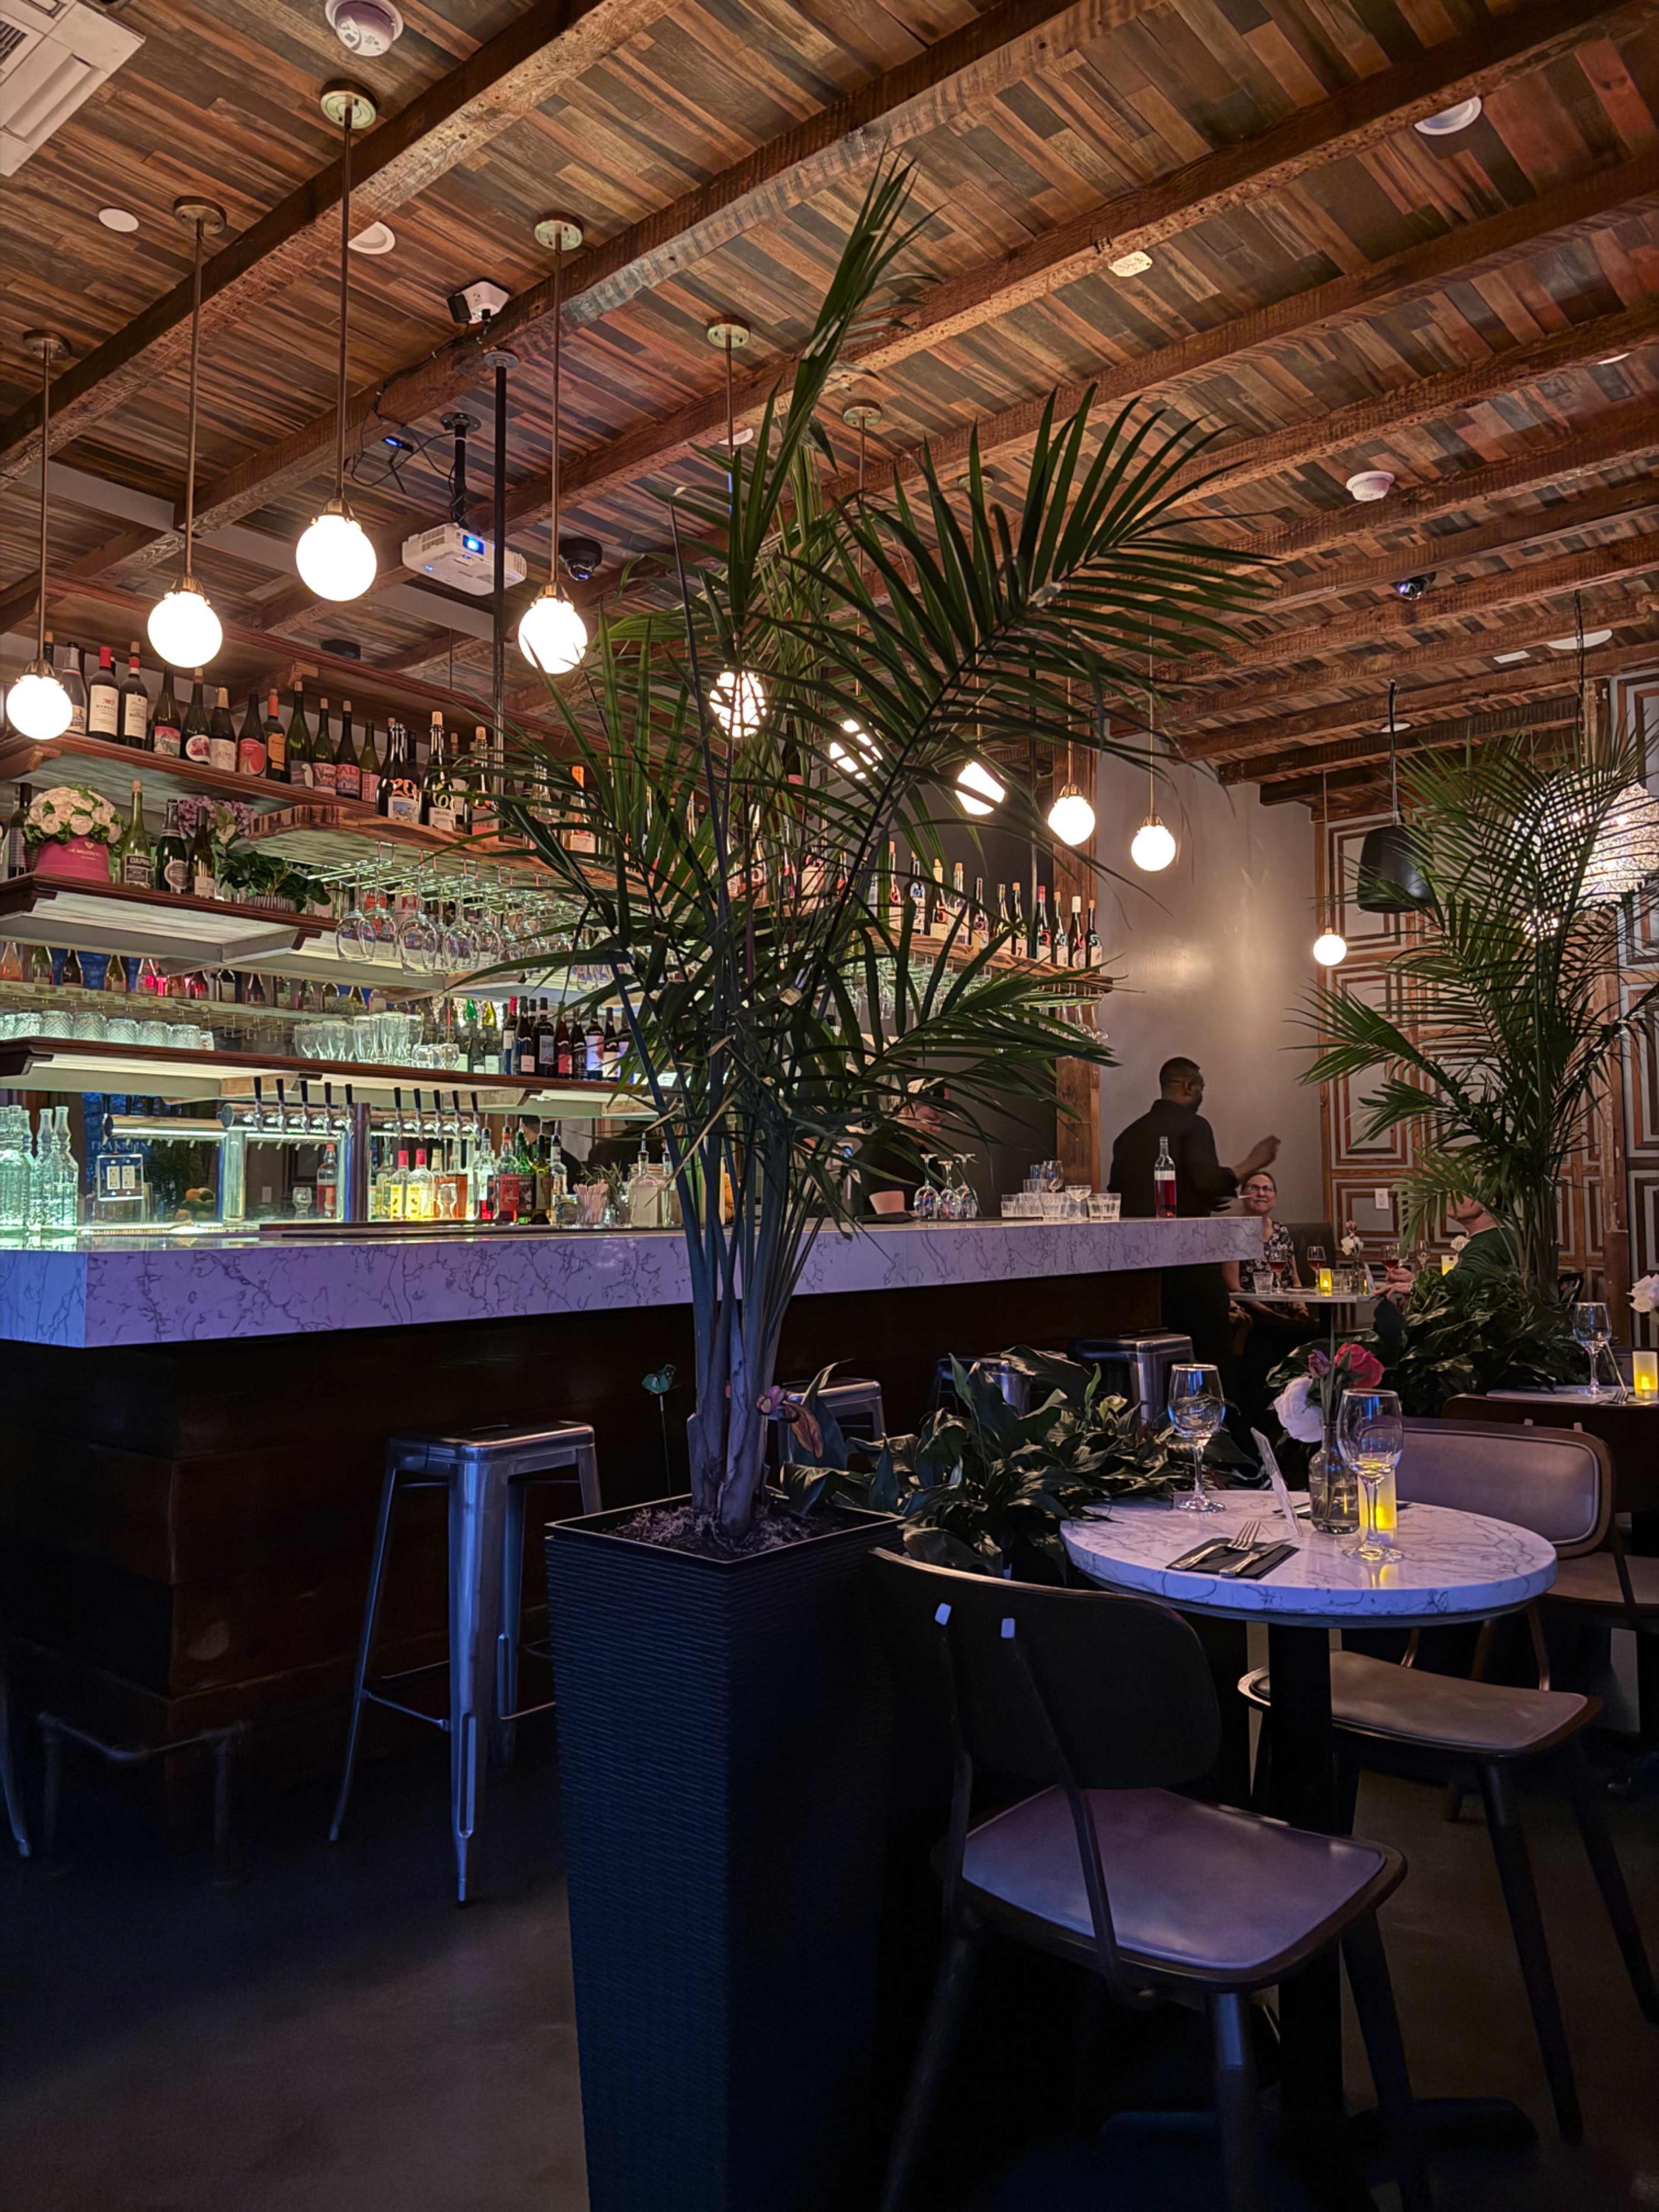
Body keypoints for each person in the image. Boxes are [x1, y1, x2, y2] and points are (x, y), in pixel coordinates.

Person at [1108, 1057, 1279, 1366]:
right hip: (1188, 1268)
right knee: (1207, 1358)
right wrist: (1253, 1162)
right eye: (1201, 1089)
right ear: (1189, 1087)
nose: (1202, 1096)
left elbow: (1122, 1197)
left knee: (1157, 1364)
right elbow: (1208, 1181)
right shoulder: (1194, 1126)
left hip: (1136, 1275)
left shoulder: (1127, 1137)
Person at [1223, 1169, 1318, 1424]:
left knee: (1316, 1337)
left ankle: (1303, 1419)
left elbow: (1294, 1278)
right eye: (1254, 1188)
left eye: (1267, 1189)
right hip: (1254, 1313)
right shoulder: (1235, 1231)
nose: (1261, 1194)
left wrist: (1301, 1309)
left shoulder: (1281, 1231)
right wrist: (1273, 1315)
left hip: (1284, 1312)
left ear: (1275, 1198)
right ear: (1243, 1195)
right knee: (1285, 1337)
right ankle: (1266, 1419)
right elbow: (1234, 1289)